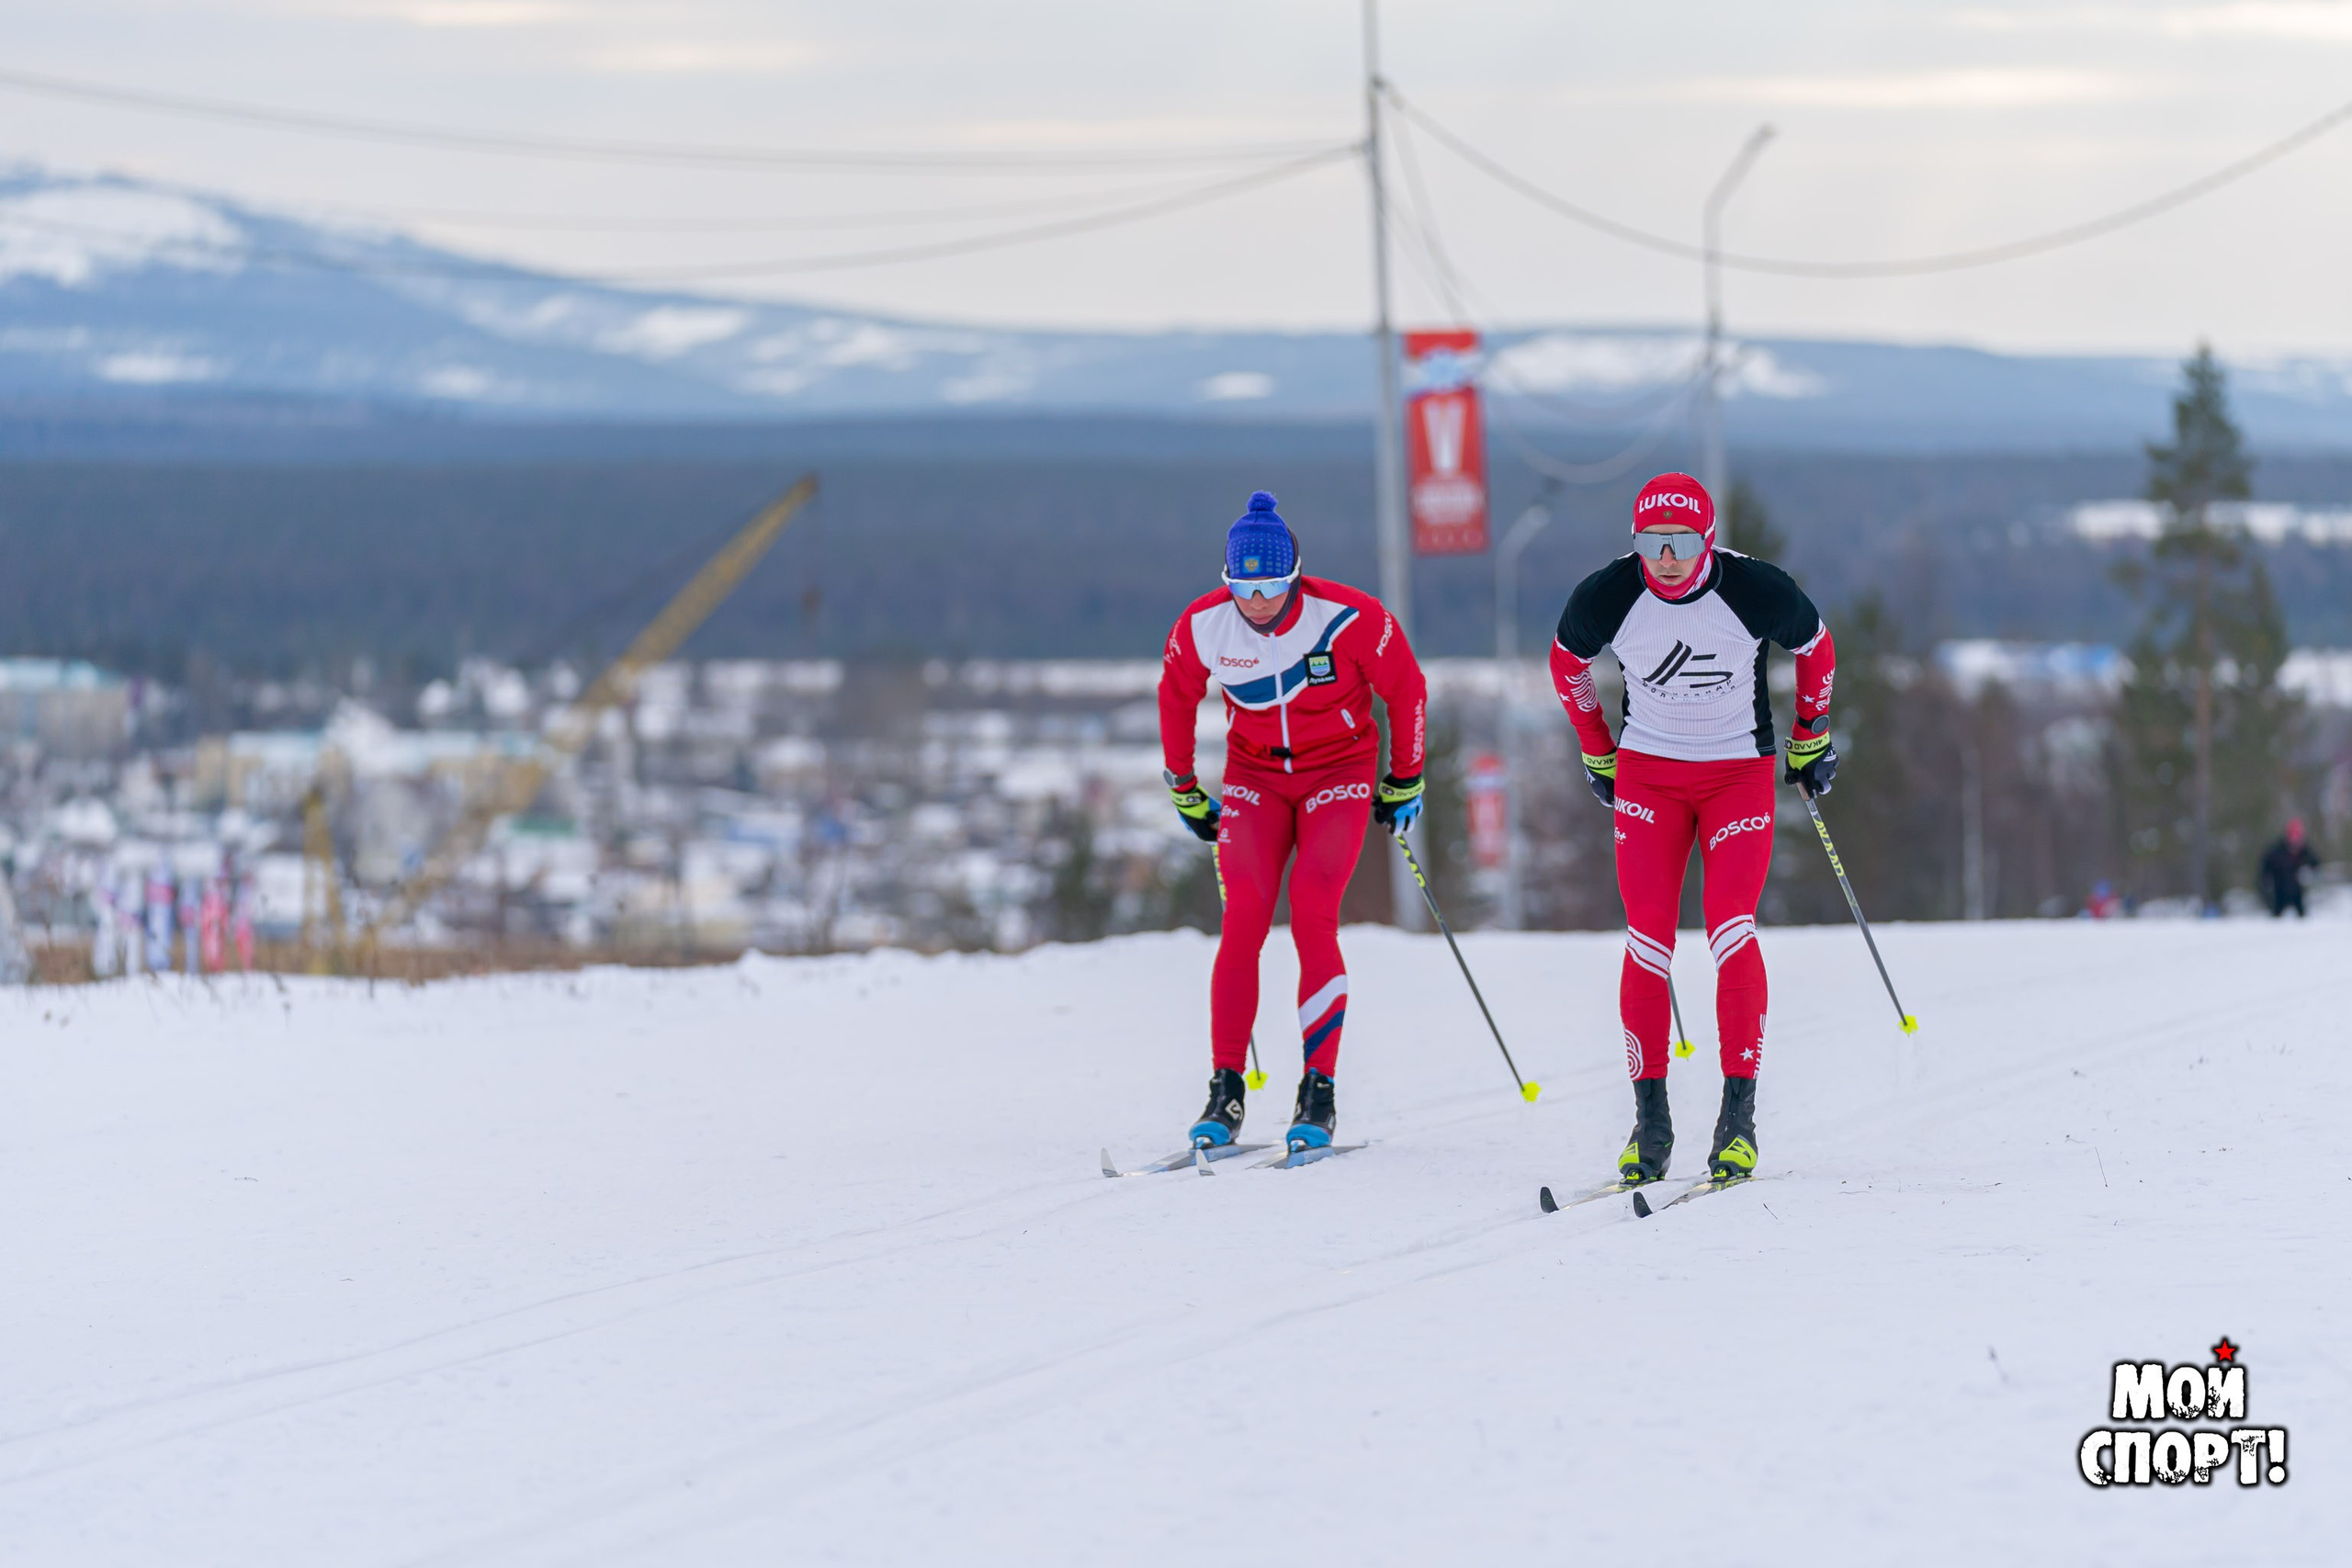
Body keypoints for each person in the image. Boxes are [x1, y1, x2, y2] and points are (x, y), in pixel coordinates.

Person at [1549, 472, 1838, 1187]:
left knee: (1729, 926)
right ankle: (1650, 1123)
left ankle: (1737, 1119)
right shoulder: (1610, 594)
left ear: (1708, 539)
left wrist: (1810, 735)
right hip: (1650, 774)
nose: (1666, 558)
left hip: (1737, 770)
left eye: (1680, 542)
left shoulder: (1752, 587)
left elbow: (1817, 649)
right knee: (1647, 935)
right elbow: (1566, 666)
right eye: (1651, 542)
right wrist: (1596, 746)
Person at [1157, 491, 1429, 1153]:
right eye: (1242, 587)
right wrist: (1185, 785)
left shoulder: (1350, 616)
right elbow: (1176, 695)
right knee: (1243, 915)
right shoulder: (1203, 624)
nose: (1257, 601)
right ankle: (1225, 1089)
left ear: (1295, 573)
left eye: (1272, 585)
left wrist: (1406, 775)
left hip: (1338, 769)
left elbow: (1407, 688)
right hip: (1254, 774)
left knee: (1312, 908)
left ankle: (1319, 1089)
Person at [2258, 819, 2319, 918]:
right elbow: (2265, 868)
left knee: (2303, 919)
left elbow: (2315, 865)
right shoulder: (2276, 851)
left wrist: (2309, 873)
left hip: (2297, 893)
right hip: (2279, 892)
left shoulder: (2305, 851)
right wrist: (2266, 883)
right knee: (2276, 920)